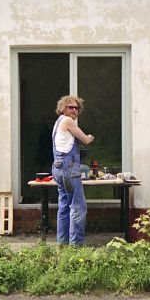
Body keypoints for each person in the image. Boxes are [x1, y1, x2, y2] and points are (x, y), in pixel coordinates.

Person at [51, 95, 94, 245]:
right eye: (70, 107)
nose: (74, 110)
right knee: (78, 207)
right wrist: (90, 136)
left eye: (76, 108)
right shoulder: (68, 121)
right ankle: (75, 248)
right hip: (68, 169)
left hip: (58, 168)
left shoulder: (58, 123)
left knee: (64, 207)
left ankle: (61, 245)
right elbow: (86, 140)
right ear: (63, 108)